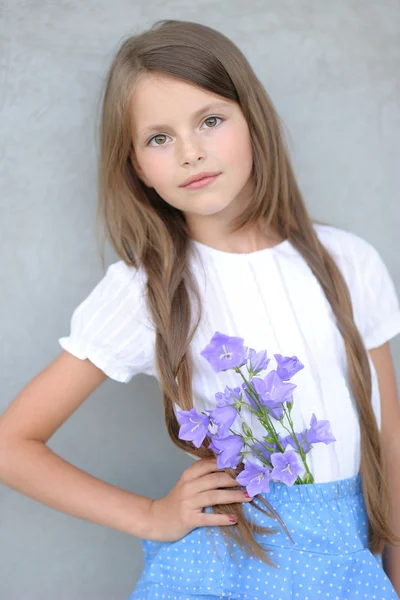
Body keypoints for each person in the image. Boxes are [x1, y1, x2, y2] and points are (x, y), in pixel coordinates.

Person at [0, 19, 399, 600]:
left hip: (345, 569)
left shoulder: (349, 262)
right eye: (159, 138)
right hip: (225, 574)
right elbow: (12, 445)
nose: (191, 153)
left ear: (253, 122)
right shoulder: (144, 290)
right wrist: (151, 517)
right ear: (137, 165)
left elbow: (388, 440)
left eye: (211, 121)